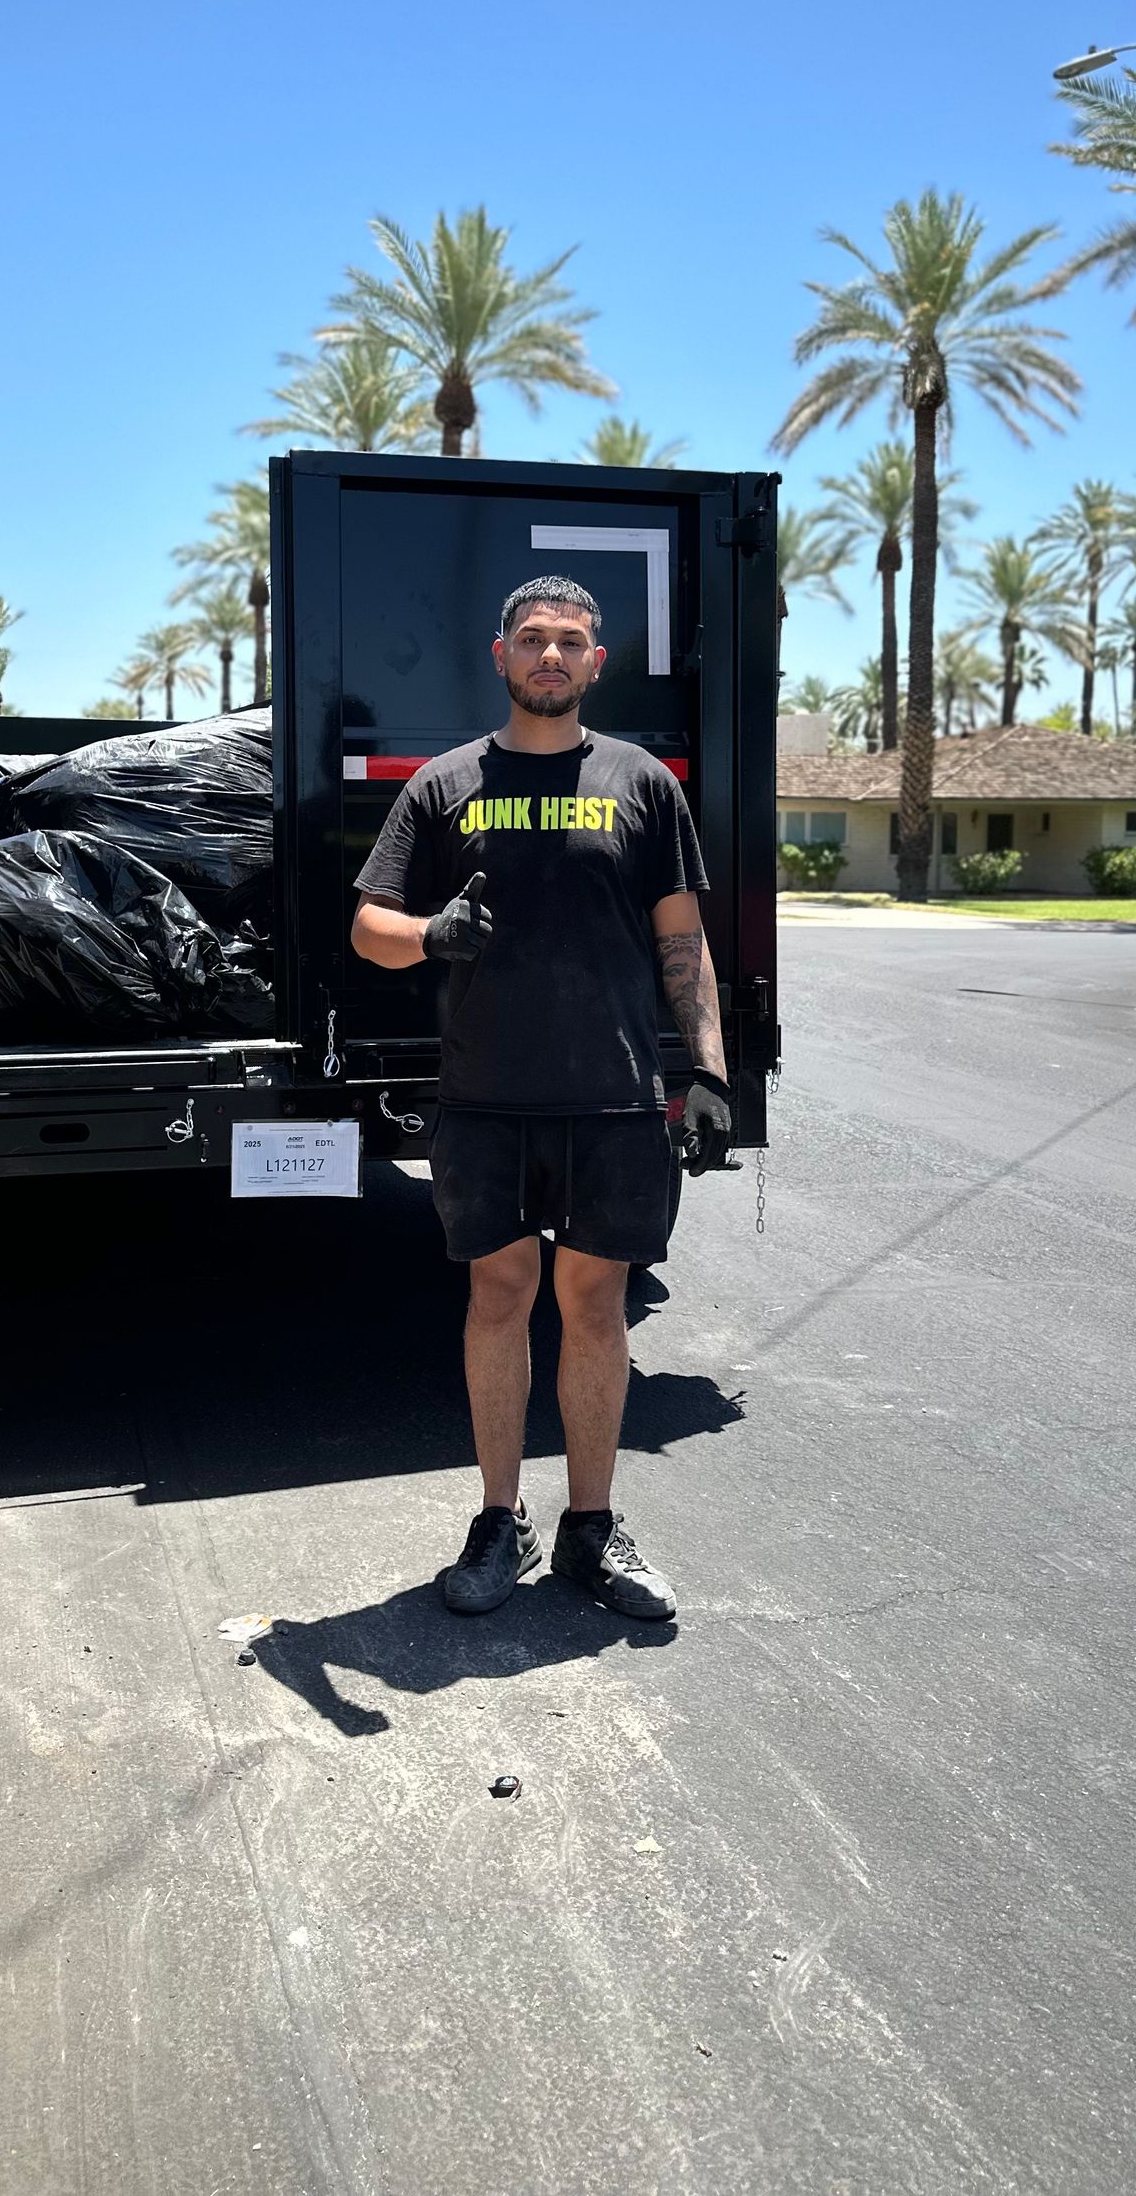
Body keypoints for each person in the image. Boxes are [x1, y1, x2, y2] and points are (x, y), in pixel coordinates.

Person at [351, 574, 734, 1623]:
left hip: (613, 1100)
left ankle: (591, 1529)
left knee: (598, 1307)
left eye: (571, 641)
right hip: (485, 1098)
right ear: (501, 654)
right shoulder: (442, 784)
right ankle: (498, 1520)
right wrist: (434, 934)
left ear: (595, 662)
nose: (552, 656)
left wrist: (705, 1071)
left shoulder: (644, 781)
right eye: (534, 639)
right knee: (498, 1300)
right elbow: (368, 928)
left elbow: (682, 938)